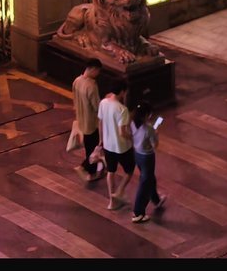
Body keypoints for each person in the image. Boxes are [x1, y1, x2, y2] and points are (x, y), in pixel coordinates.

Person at [97, 80, 136, 210]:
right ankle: (119, 191)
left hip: (108, 145)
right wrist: (133, 138)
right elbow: (122, 132)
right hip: (122, 147)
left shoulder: (103, 103)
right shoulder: (122, 109)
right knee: (129, 170)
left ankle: (112, 201)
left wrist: (101, 139)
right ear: (122, 92)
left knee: (111, 171)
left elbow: (100, 122)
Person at [129, 101, 167, 222]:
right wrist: (156, 135)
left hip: (137, 154)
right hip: (147, 157)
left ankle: (156, 199)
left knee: (149, 178)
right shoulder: (149, 128)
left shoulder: (132, 123)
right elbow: (155, 145)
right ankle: (138, 213)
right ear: (145, 115)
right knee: (145, 183)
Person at [71, 59, 104, 180]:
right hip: (91, 123)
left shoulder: (76, 81)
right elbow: (96, 107)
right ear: (94, 69)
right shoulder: (91, 86)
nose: (98, 74)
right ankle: (88, 171)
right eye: (98, 71)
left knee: (88, 147)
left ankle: (87, 168)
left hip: (81, 120)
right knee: (93, 148)